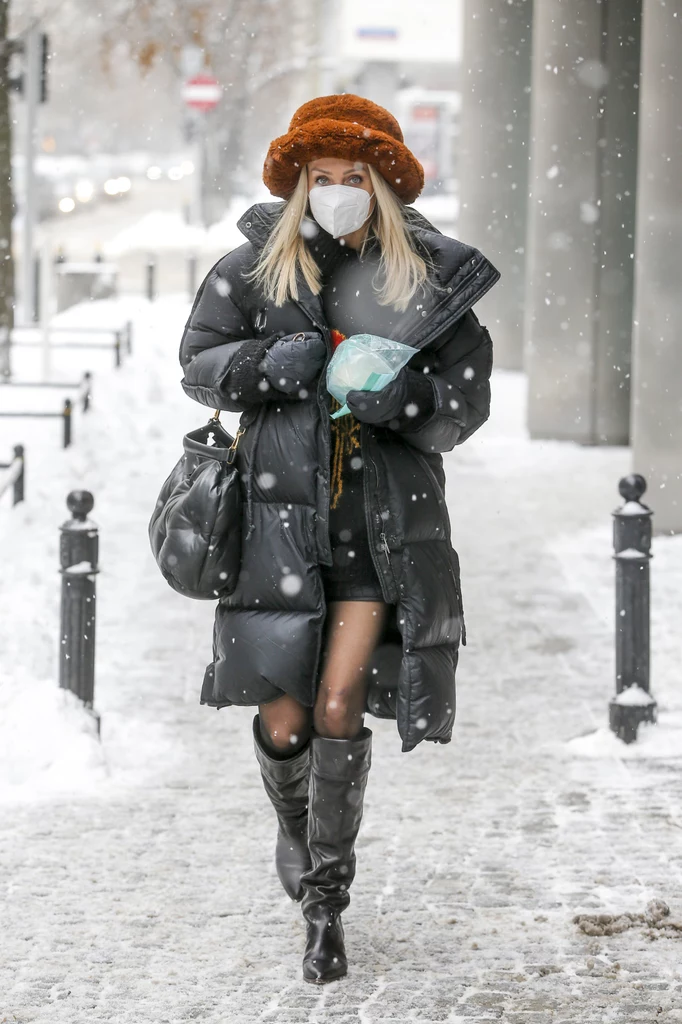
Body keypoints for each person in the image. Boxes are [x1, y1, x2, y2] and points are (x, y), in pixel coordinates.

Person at [178, 94, 500, 984]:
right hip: (275, 529)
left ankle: (327, 904)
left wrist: (406, 403)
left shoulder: (422, 284)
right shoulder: (254, 272)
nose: (337, 193)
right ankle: (296, 828)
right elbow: (196, 362)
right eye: (322, 179)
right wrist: (265, 367)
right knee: (282, 720)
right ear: (298, 186)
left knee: (335, 707)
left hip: (376, 529)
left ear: (383, 187)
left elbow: (465, 403)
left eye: (354, 179)